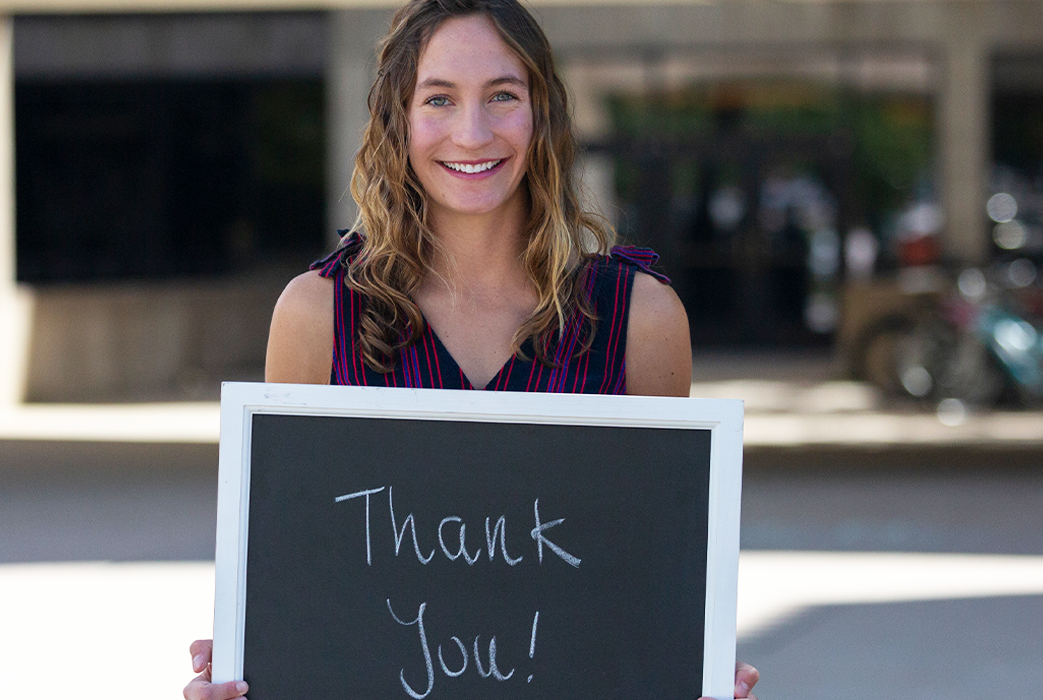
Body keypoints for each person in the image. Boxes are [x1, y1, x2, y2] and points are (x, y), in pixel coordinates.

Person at [183, 0, 756, 698]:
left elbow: (649, 579)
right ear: (398, 118)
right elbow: (300, 576)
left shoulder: (639, 317)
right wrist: (259, 651)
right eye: (439, 99)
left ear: (543, 112)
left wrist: (684, 663)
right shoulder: (319, 314)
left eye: (503, 96)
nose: (472, 131)